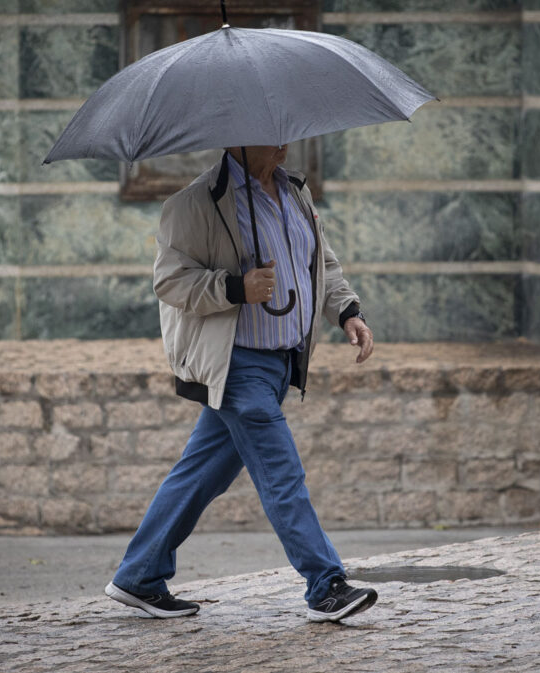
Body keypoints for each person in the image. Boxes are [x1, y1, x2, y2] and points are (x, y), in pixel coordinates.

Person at [104, 145, 377, 622]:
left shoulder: (294, 193)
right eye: (270, 130)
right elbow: (169, 281)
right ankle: (325, 583)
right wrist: (235, 287)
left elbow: (321, 265)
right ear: (238, 134)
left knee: (201, 473)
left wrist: (347, 311)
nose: (283, 141)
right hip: (236, 366)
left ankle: (138, 576)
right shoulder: (195, 203)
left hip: (280, 363)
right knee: (281, 472)